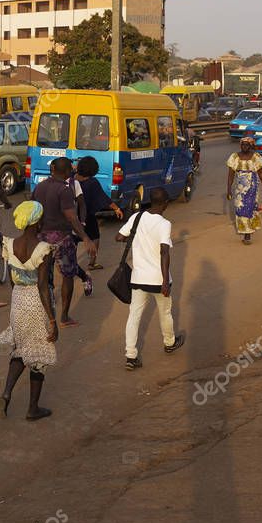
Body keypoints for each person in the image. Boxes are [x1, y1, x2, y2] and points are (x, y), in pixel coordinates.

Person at [0, 201, 57, 421]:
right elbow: (43, 287)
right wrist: (52, 320)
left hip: (18, 300)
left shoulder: (10, 244)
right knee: (38, 356)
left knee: (21, 349)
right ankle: (32, 409)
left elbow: (12, 280)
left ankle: (6, 394)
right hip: (36, 304)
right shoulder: (44, 249)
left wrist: (18, 299)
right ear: (36, 221)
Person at [116, 187, 184, 370]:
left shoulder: (137, 217)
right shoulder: (164, 224)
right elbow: (164, 252)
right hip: (157, 279)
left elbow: (119, 237)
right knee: (165, 312)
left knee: (134, 315)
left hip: (138, 277)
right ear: (165, 204)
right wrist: (165, 281)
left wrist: (136, 238)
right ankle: (169, 343)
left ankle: (131, 356)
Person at [32, 157, 97, 326]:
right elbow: (71, 217)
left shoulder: (39, 187)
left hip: (41, 238)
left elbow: (33, 211)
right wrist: (85, 237)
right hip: (62, 238)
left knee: (43, 278)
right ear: (68, 172)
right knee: (67, 275)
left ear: (53, 169)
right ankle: (64, 317)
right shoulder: (65, 190)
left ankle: (48, 316)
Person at [73, 156, 124, 271]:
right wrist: (116, 208)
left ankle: (72, 262)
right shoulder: (92, 182)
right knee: (95, 237)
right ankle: (92, 263)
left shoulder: (72, 178)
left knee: (73, 239)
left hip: (72, 215)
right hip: (87, 216)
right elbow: (104, 198)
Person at [226, 137, 262, 244]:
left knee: (249, 208)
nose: (244, 147)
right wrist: (229, 189)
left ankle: (247, 234)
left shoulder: (256, 157)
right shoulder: (234, 157)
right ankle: (246, 229)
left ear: (251, 146)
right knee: (240, 208)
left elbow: (261, 173)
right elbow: (231, 175)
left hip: (252, 187)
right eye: (242, 144)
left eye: (247, 145)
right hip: (239, 189)